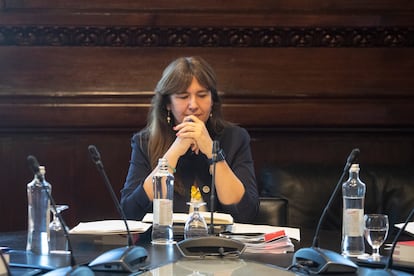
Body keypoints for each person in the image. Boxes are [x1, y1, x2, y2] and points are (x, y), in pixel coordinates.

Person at [120, 56, 259, 223]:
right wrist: (174, 151)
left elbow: (246, 214)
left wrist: (211, 150)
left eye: (202, 95)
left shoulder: (235, 138)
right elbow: (130, 213)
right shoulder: (145, 142)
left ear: (212, 100)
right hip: (164, 243)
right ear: (168, 104)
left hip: (222, 245)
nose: (193, 105)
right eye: (183, 96)